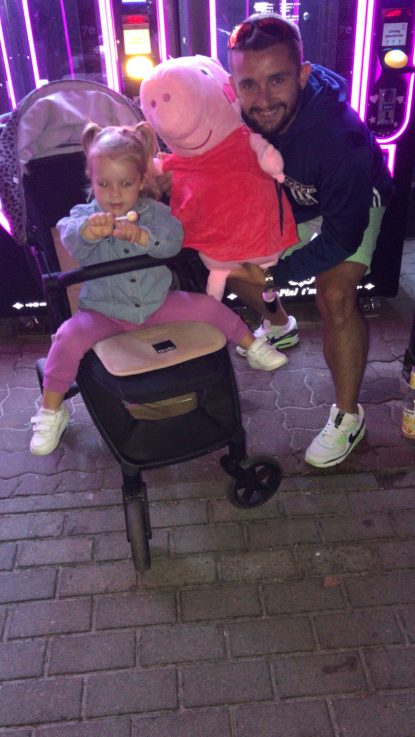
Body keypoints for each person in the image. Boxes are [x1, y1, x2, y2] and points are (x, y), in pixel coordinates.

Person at [30, 121, 288, 456]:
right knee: (66, 337)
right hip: (104, 312)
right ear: (91, 180)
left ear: (141, 181)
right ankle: (52, 410)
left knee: (208, 307)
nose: (114, 194)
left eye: (125, 184)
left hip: (157, 303)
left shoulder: (155, 214)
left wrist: (144, 237)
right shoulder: (85, 216)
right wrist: (88, 234)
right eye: (104, 184)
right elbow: (69, 236)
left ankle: (252, 346)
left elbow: (173, 241)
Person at [226, 12, 395, 468]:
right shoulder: (232, 110)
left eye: (277, 80)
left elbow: (341, 237)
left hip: (354, 202)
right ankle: (279, 325)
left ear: (302, 74)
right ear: (233, 83)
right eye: (249, 84)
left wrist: (276, 274)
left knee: (334, 293)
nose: (263, 99)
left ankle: (348, 415)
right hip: (294, 200)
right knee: (225, 262)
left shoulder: (340, 138)